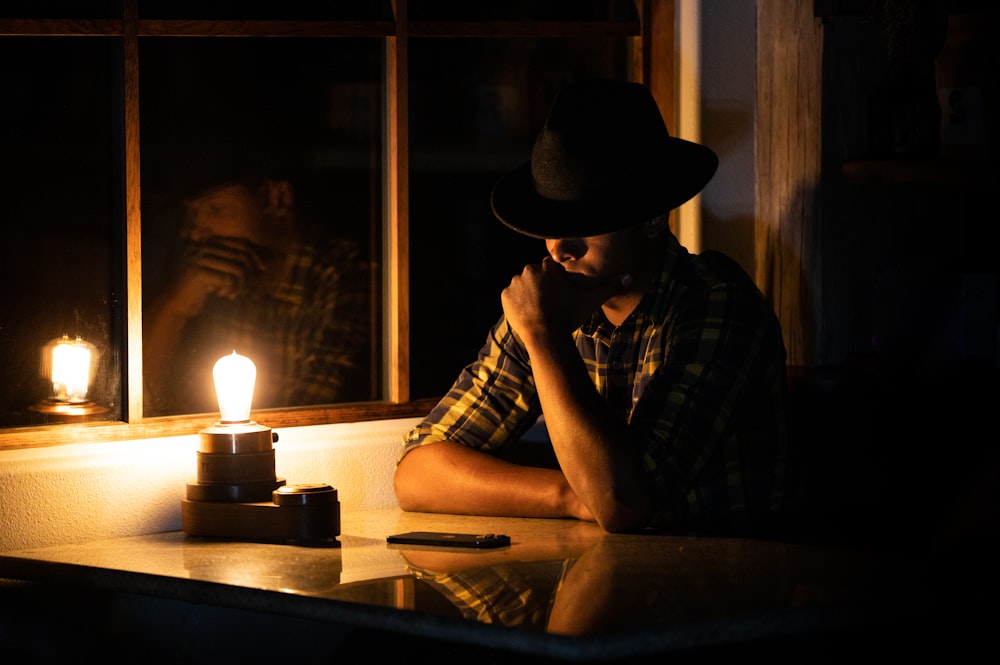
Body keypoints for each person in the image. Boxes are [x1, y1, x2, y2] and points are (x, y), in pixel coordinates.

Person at [395, 78, 793, 535]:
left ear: (652, 217)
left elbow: (624, 503)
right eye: (551, 225)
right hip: (617, 577)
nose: (561, 248)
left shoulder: (717, 304)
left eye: (587, 223)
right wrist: (571, 495)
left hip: (734, 584)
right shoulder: (552, 303)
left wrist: (544, 339)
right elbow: (416, 475)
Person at [142, 151, 372, 416]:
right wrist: (176, 306)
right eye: (191, 213)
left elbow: (316, 419)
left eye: (215, 210)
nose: (193, 232)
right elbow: (148, 399)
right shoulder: (207, 279)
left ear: (276, 198)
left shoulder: (340, 273)